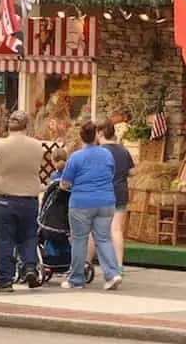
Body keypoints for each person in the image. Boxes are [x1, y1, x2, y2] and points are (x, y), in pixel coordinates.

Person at [59, 121, 123, 290]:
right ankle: (112, 273)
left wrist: (65, 185)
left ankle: (76, 279)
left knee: (79, 240)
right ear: (96, 136)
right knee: (104, 238)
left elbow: (65, 182)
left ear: (81, 137)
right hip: (106, 201)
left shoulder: (76, 157)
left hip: (81, 202)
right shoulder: (107, 155)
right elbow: (111, 173)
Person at [0, 110, 44, 292]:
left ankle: (5, 280)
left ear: (8, 126)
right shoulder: (37, 146)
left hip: (5, 199)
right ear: (26, 126)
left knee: (4, 240)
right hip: (29, 199)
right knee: (28, 236)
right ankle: (30, 267)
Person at [87, 120, 135, 269]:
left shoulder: (98, 152)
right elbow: (132, 172)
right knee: (116, 229)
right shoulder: (123, 150)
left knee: (93, 229)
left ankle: (86, 263)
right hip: (120, 193)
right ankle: (118, 264)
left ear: (100, 133)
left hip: (101, 193)